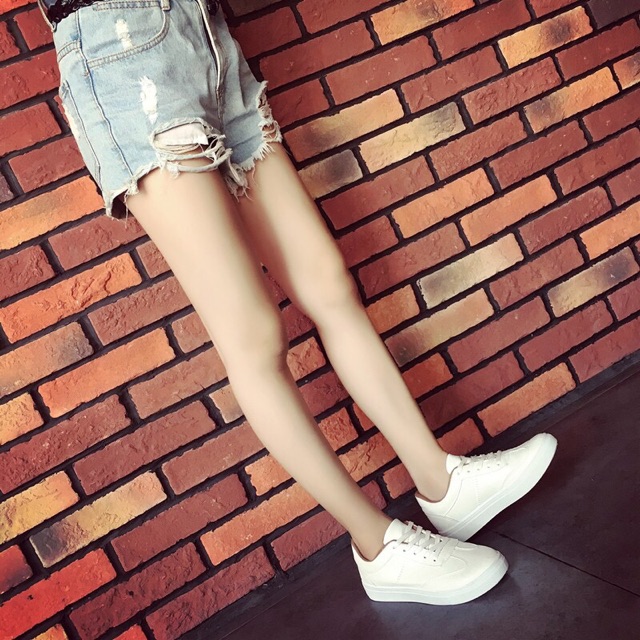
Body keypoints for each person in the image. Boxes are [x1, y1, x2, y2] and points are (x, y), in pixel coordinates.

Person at [36, 0, 558, 606]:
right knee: (253, 332)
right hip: (121, 54)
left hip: (204, 35)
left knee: (326, 282)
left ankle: (442, 483)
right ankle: (378, 548)